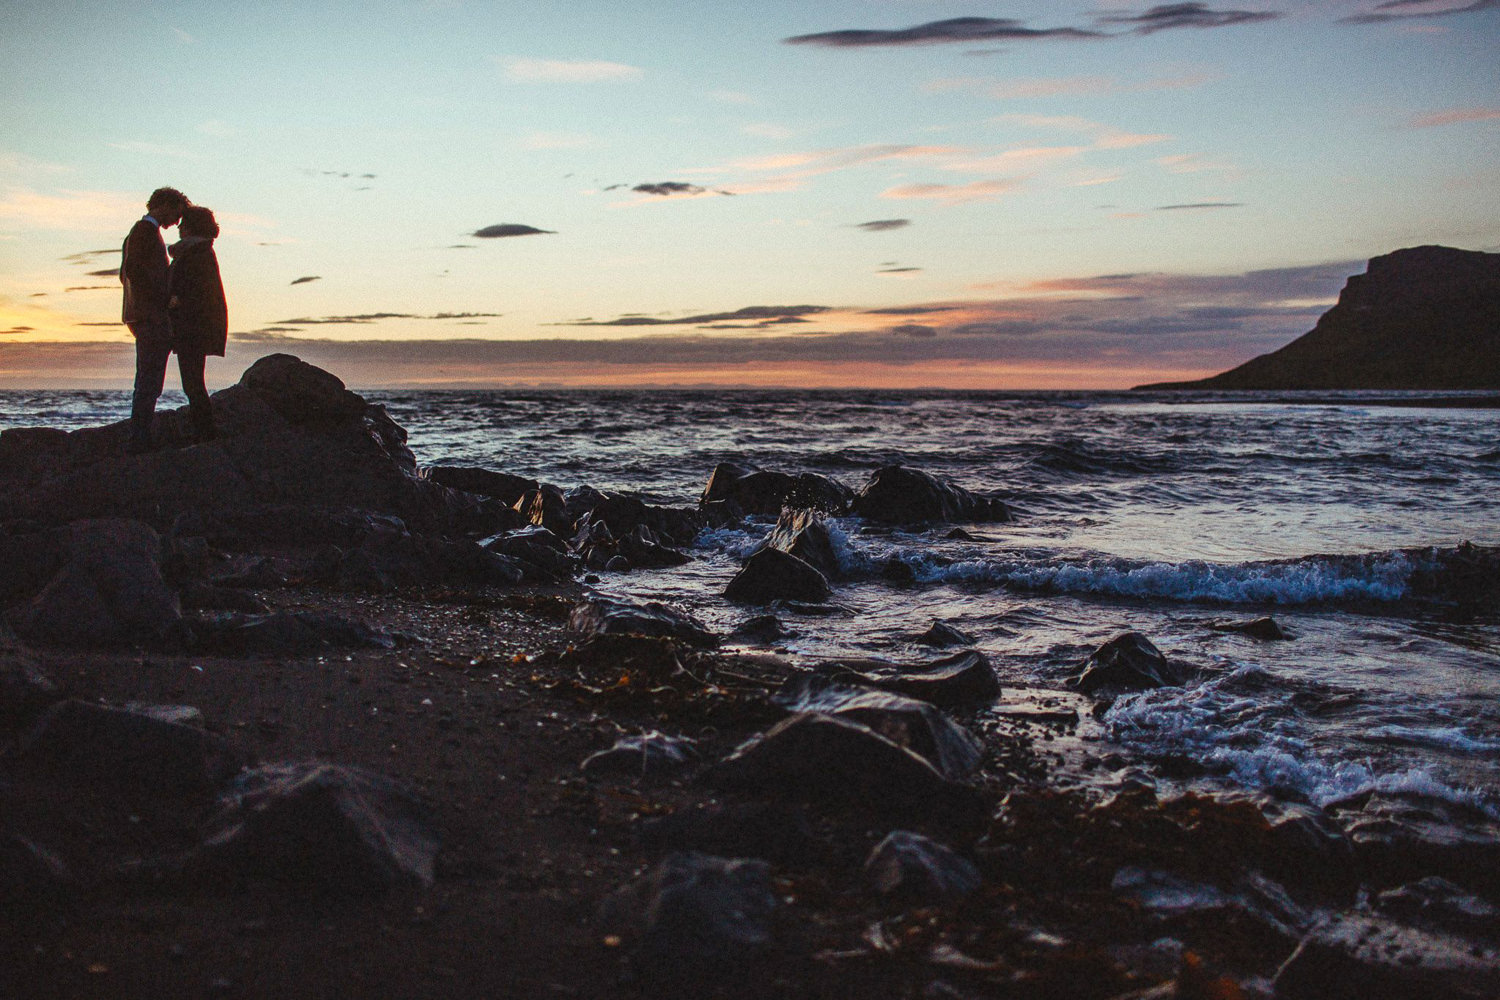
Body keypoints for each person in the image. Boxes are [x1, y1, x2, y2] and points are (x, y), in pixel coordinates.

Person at [121, 186, 189, 452]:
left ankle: (140, 436)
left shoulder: (143, 232)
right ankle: (139, 440)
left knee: (149, 381)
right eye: (176, 213)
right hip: (149, 317)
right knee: (149, 381)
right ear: (163, 205)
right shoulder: (145, 231)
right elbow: (134, 271)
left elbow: (128, 273)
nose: (177, 221)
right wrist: (163, 300)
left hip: (144, 316)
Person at [166, 204, 227, 442]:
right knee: (193, 383)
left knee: (192, 384)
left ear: (190, 227)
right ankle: (204, 431)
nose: (179, 228)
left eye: (182, 224)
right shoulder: (198, 251)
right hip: (194, 327)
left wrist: (175, 300)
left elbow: (197, 290)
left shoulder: (198, 252)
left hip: (193, 329)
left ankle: (206, 433)